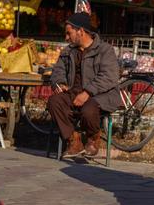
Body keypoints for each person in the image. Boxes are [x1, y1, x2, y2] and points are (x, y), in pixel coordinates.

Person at [48, 12, 121, 158]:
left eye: (69, 33)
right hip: (73, 93)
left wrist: (87, 93)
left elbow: (109, 76)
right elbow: (58, 71)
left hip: (100, 95)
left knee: (88, 109)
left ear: (81, 31)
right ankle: (73, 140)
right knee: (54, 102)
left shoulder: (105, 50)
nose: (66, 37)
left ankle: (93, 137)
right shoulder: (68, 52)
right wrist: (60, 83)